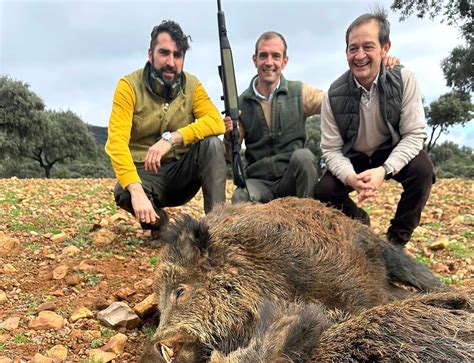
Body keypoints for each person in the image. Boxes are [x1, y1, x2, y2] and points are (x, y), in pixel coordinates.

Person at [316, 10, 434, 247]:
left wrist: (385, 170)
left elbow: (414, 134)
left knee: (423, 171)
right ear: (346, 52)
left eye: (368, 46)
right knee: (324, 191)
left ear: (385, 47)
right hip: (354, 158)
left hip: (389, 152)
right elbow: (331, 149)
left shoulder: (405, 80)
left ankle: (396, 242)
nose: (360, 55)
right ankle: (358, 222)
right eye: (353, 48)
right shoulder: (333, 94)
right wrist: (350, 177)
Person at [105, 20, 227, 243]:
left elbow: (215, 122)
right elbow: (116, 143)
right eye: (164, 53)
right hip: (147, 177)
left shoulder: (193, 85)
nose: (171, 62)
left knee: (212, 144)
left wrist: (172, 139)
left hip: (183, 172)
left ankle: (216, 230)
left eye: (177, 55)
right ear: (150, 55)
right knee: (123, 191)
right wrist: (137, 190)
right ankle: (159, 223)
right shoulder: (128, 86)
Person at [225, 31, 324, 204]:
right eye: (263, 56)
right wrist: (228, 136)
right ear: (254, 59)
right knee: (240, 196)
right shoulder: (240, 104)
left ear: (284, 61)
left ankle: (308, 219)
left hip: (290, 179)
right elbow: (229, 153)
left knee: (304, 157)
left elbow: (334, 102)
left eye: (275, 56)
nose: (269, 62)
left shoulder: (299, 92)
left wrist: (378, 67)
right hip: (259, 183)